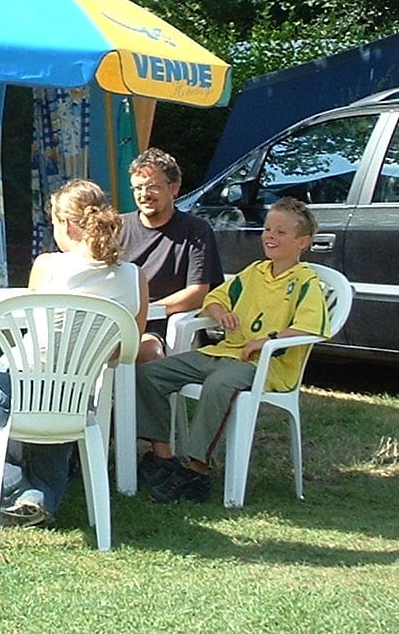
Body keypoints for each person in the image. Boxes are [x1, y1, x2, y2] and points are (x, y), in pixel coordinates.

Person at [0, 179, 148, 527]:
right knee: (57, 394)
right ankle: (38, 497)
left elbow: (28, 323)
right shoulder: (136, 278)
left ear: (67, 224)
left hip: (20, 385)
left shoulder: (49, 265)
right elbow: (127, 349)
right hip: (76, 396)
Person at [136, 197, 329, 504]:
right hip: (225, 352)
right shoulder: (255, 271)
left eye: (281, 232)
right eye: (267, 229)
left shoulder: (307, 282)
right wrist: (219, 312)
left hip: (263, 366)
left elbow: (310, 328)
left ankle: (196, 471)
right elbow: (215, 298)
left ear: (302, 242)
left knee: (219, 385)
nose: (270, 236)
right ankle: (162, 456)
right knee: (150, 373)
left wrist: (267, 341)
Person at [119, 147, 223, 363]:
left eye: (152, 187)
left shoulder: (196, 230)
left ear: (174, 188)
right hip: (117, 319)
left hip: (163, 322)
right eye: (138, 188)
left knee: (147, 353)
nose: (144, 194)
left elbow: (198, 293)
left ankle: (141, 398)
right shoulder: (117, 227)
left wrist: (146, 311)